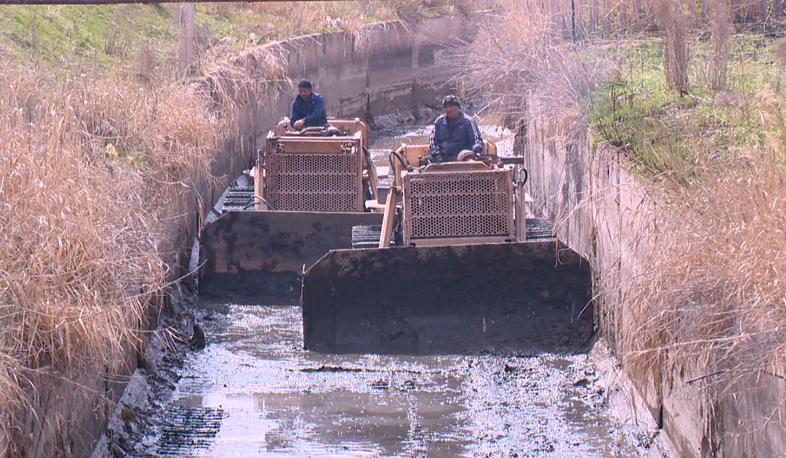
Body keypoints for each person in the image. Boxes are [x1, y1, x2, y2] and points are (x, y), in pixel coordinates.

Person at [426, 95, 484, 163]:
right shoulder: (439, 122)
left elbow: (476, 140)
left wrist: (476, 151)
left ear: (458, 107)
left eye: (450, 106)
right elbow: (433, 141)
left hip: (461, 158)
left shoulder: (468, 121)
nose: (448, 109)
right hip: (442, 157)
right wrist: (437, 156)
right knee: (424, 161)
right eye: (446, 107)